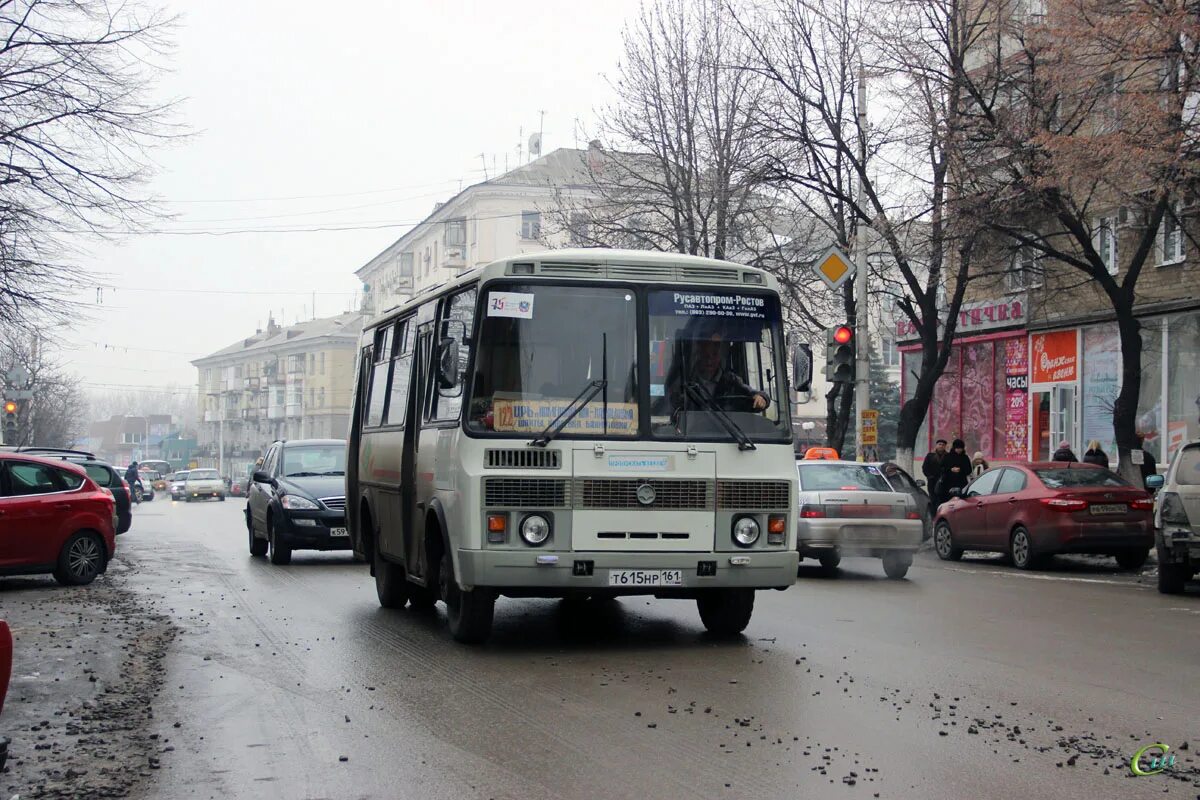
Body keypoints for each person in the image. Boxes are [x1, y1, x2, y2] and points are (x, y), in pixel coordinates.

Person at [668, 333, 769, 417]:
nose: (709, 360)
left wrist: (762, 398)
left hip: (727, 434)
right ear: (699, 355)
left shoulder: (731, 381)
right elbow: (671, 408)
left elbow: (753, 395)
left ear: (719, 357)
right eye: (706, 355)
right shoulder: (684, 381)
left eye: (714, 355)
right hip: (692, 435)